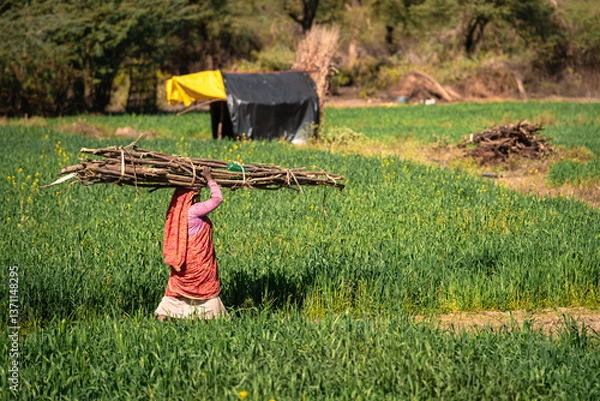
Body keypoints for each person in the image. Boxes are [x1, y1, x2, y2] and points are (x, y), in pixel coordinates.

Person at [155, 166, 228, 320]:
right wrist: (209, 178)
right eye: (198, 194)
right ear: (191, 196)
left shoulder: (177, 213)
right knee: (205, 289)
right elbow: (217, 199)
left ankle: (163, 316)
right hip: (199, 261)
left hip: (183, 261)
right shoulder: (194, 210)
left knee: (176, 289)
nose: (199, 197)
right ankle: (210, 316)